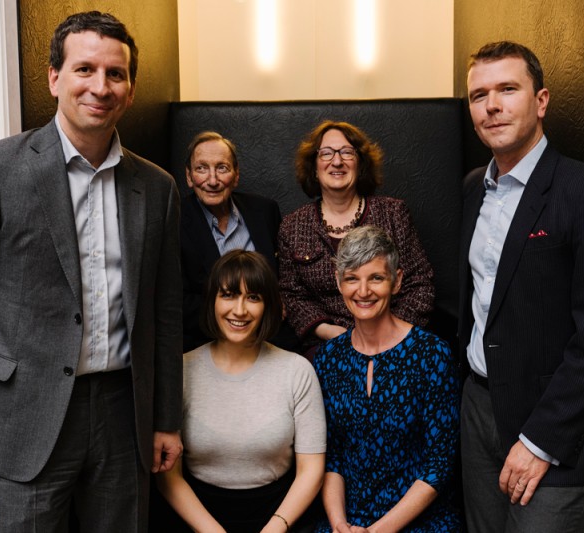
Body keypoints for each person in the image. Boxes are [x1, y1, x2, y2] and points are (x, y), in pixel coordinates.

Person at [0, 11, 183, 532]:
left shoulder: (158, 188)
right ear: (54, 78)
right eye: (85, 69)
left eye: (115, 74)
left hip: (123, 415)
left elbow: (165, 313)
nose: (100, 87)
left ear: (130, 90)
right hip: (23, 416)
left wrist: (166, 419)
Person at [458, 41, 584, 532]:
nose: (492, 105)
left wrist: (540, 442)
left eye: (508, 89)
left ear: (541, 101)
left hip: (556, 424)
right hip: (479, 408)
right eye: (479, 95)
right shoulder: (472, 189)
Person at [157, 250, 326, 532]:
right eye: (228, 295)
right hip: (196, 520)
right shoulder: (180, 372)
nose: (239, 310)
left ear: (268, 305)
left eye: (253, 298)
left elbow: (311, 471)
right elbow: (168, 477)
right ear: (211, 300)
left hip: (281, 518)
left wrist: (276, 528)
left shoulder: (297, 371)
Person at [313, 225, 462, 532]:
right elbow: (332, 456)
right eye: (352, 278)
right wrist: (339, 524)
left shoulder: (431, 354)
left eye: (376, 278)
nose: (363, 291)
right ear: (338, 282)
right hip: (348, 520)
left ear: (397, 281)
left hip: (419, 521)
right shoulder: (328, 358)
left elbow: (439, 464)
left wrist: (378, 531)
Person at [278, 121, 434, 353]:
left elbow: (420, 285)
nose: (337, 161)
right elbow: (292, 295)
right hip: (326, 345)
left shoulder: (393, 213)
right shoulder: (293, 226)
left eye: (347, 152)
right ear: (314, 167)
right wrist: (328, 331)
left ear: (360, 165)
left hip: (393, 342)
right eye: (326, 153)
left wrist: (388, 334)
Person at [180, 131, 297, 352]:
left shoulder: (264, 211)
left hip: (271, 339)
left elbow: (285, 277)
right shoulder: (173, 222)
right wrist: (240, 316)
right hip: (208, 342)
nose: (212, 180)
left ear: (236, 175)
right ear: (189, 176)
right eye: (201, 168)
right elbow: (176, 302)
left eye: (222, 168)